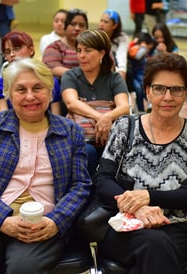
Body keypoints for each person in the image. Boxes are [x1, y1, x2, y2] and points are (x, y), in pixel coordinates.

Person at [0, 58, 92, 272]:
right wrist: (3, 220)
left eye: (37, 88)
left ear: (51, 91)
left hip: (42, 222)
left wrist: (55, 222)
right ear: (8, 94)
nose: (30, 96)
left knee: (22, 269)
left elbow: (80, 186)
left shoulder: (71, 131)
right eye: (21, 89)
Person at [94, 52, 187, 274]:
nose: (167, 97)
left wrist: (148, 196)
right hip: (125, 224)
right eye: (159, 88)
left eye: (176, 89)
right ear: (147, 91)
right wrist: (137, 208)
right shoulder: (124, 128)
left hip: (177, 227)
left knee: (156, 249)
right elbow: (102, 181)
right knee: (155, 246)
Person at [61, 29, 130, 177]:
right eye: (79, 50)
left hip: (109, 139)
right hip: (81, 139)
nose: (82, 56)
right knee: (88, 152)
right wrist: (101, 117)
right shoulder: (70, 76)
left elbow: (124, 107)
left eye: (88, 50)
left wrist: (107, 118)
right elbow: (71, 103)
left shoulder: (114, 78)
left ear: (102, 53)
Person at [0, 31, 61, 115]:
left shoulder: (51, 81)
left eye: (17, 48)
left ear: (31, 50)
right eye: (7, 52)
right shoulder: (1, 83)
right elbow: (3, 117)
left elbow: (56, 115)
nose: (12, 54)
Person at [43, 8, 88, 78]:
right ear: (65, 27)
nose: (77, 28)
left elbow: (107, 64)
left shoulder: (94, 46)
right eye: (73, 24)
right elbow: (52, 68)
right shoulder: (54, 47)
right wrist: (81, 76)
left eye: (81, 25)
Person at [127, 32, 155, 112]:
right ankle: (141, 110)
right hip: (135, 76)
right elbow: (137, 56)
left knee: (142, 89)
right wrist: (143, 48)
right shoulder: (138, 48)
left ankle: (147, 104)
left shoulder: (143, 50)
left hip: (141, 76)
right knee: (139, 90)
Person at [98, 9, 129, 79]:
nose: (101, 24)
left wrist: (121, 85)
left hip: (115, 71)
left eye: (106, 22)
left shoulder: (122, 38)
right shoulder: (95, 36)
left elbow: (122, 62)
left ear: (115, 25)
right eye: (101, 21)